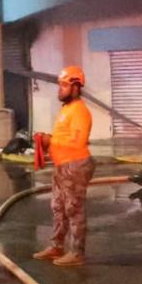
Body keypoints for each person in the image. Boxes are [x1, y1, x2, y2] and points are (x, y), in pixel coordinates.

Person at [33, 66, 95, 267]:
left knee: (73, 209)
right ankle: (57, 246)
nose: (59, 90)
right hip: (63, 166)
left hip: (75, 166)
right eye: (59, 85)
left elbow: (77, 142)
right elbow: (63, 137)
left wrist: (49, 141)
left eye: (64, 86)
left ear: (76, 87)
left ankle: (77, 253)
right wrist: (49, 141)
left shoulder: (80, 111)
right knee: (58, 207)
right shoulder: (66, 109)